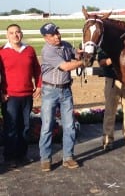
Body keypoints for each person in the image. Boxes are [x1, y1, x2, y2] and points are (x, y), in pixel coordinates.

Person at [38, 22, 84, 172]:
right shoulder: (47, 51)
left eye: (57, 32)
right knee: (47, 126)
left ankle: (68, 157)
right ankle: (45, 159)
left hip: (65, 91)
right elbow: (65, 66)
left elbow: (74, 53)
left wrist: (81, 52)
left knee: (70, 125)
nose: (57, 36)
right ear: (46, 38)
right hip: (50, 91)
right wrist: (83, 62)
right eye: (53, 34)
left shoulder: (65, 44)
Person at [0, 24, 42, 168]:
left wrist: (39, 85)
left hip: (27, 95)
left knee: (24, 126)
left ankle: (22, 155)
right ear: (7, 36)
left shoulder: (29, 50)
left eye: (17, 32)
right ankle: (10, 156)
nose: (15, 35)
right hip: (9, 97)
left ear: (21, 34)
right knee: (11, 127)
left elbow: (37, 69)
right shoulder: (2, 52)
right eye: (11, 33)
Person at [97, 49, 125, 151]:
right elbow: (101, 62)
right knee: (110, 111)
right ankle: (108, 139)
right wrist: (114, 59)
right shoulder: (106, 45)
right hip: (112, 80)